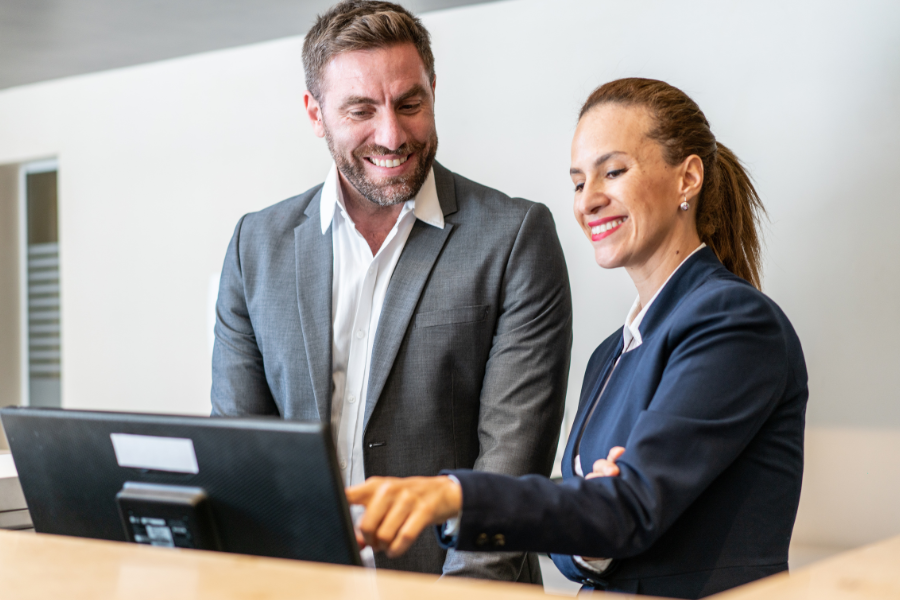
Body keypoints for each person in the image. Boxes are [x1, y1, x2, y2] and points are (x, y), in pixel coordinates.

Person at [346, 78, 808, 599]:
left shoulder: (734, 323)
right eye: (577, 182)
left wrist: (457, 496)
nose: (589, 200)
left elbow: (629, 509)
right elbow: (576, 550)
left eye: (613, 171)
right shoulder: (608, 356)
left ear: (688, 179)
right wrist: (596, 524)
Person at [210, 0, 571, 583]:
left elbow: (510, 461)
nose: (392, 134)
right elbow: (240, 455)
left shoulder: (513, 238)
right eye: (360, 110)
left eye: (411, 104)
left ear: (434, 92)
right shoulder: (257, 246)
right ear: (315, 113)